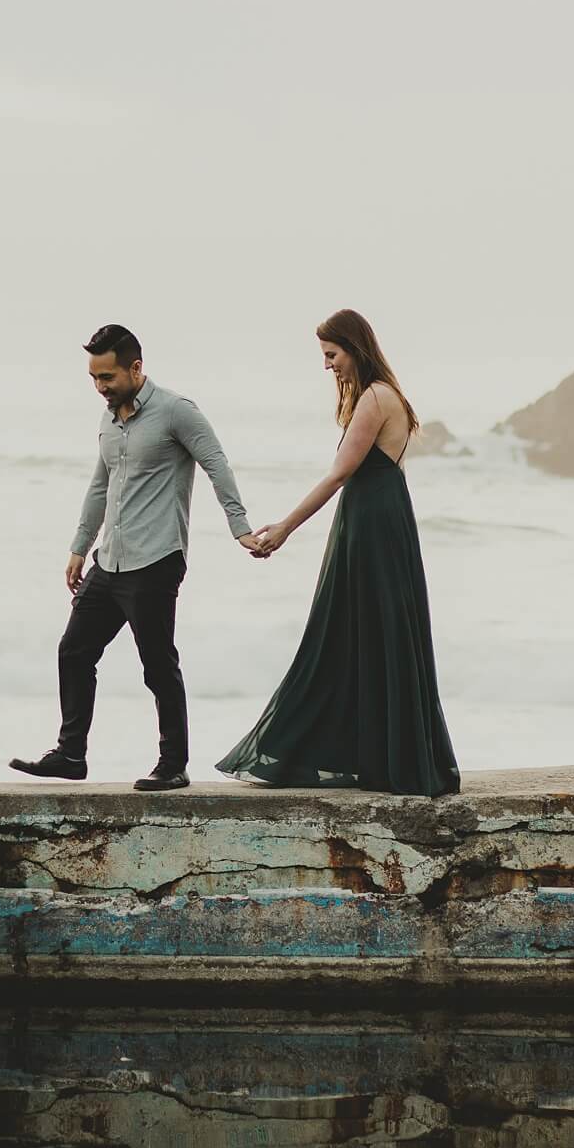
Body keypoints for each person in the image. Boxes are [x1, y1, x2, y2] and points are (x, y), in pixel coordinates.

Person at [216, 309, 459, 797]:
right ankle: (381, 757)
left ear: (355, 347)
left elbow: (338, 474)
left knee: (349, 633)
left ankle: (356, 755)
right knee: (366, 633)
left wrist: (285, 526)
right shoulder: (386, 396)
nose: (328, 365)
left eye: (332, 354)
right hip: (379, 521)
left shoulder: (374, 398)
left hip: (371, 524)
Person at [12, 324, 261, 793]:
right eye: (93, 378)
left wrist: (240, 528)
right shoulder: (108, 420)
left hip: (156, 559)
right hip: (111, 560)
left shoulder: (176, 412)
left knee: (157, 663)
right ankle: (70, 754)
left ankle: (174, 765)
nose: (100, 388)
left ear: (136, 368)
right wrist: (79, 547)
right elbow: (100, 486)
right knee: (74, 650)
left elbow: (216, 463)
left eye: (107, 377)